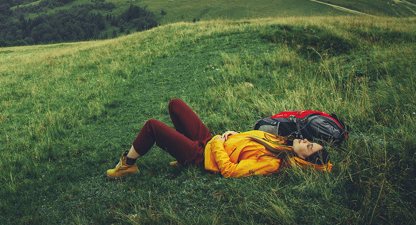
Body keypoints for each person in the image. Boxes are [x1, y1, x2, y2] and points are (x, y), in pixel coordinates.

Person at [107, 98, 332, 178]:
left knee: (152, 127)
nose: (304, 140)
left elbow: (230, 172)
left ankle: (128, 164)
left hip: (203, 155)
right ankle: (180, 152)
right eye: (309, 141)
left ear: (304, 160)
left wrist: (217, 143)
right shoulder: (282, 142)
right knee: (175, 105)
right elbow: (250, 141)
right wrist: (235, 135)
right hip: (210, 142)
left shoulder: (273, 162)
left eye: (309, 146)